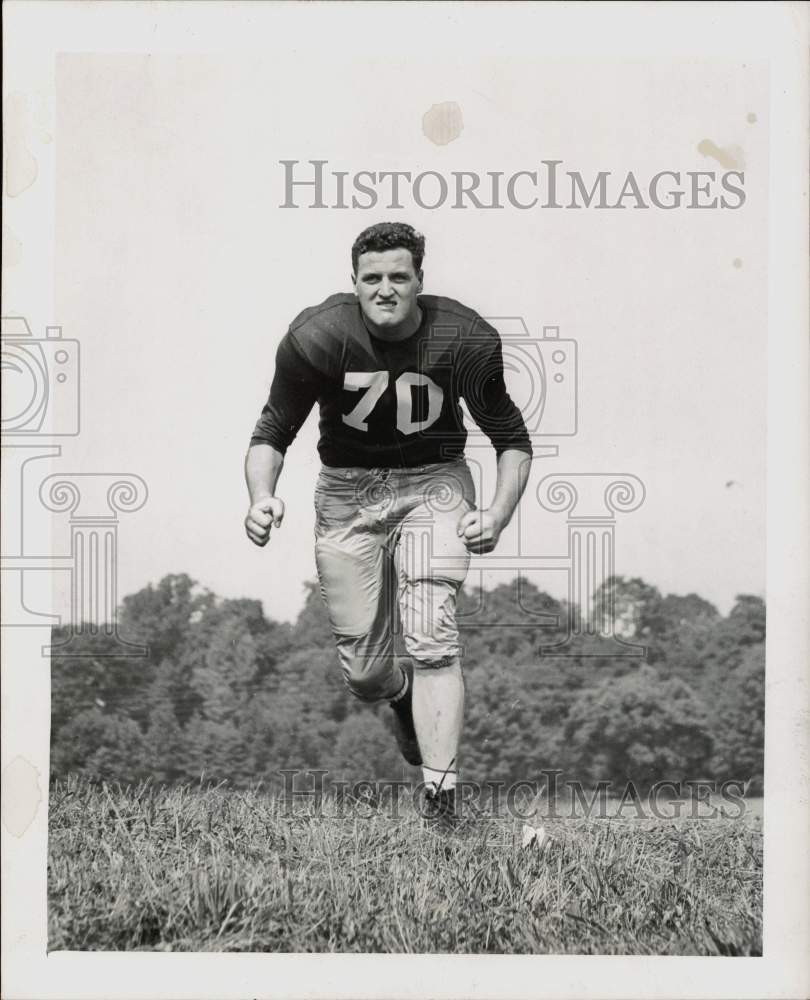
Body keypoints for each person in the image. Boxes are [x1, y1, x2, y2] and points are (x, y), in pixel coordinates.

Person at [245, 222, 532, 828]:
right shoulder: (316, 336)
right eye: (371, 278)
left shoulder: (465, 337)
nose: (384, 289)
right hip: (349, 493)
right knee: (365, 673)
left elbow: (511, 438)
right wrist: (260, 496)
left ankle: (441, 799)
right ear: (353, 283)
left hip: (435, 483)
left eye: (398, 277)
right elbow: (272, 430)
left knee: (432, 633)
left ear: (420, 282)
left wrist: (499, 513)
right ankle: (398, 695)